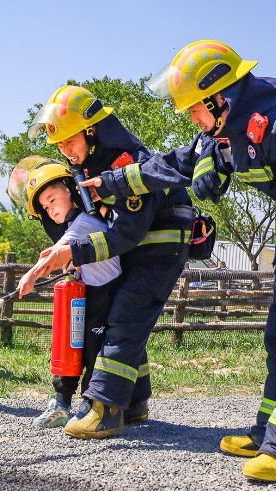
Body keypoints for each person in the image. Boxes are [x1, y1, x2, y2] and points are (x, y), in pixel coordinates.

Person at [87, 40, 276, 482]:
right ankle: (269, 433)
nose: (190, 117)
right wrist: (110, 183)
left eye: (193, 108)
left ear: (218, 98)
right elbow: (172, 165)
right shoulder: (228, 130)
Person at [25, 84, 200, 439]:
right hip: (142, 248)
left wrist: (73, 252)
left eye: (69, 141)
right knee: (128, 320)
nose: (65, 151)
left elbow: (125, 235)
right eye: (58, 145)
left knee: (123, 321)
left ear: (91, 130)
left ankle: (104, 409)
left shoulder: (123, 162)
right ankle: (134, 402)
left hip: (159, 248)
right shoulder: (94, 162)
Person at [11, 160, 121, 428]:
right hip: (90, 292)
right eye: (46, 208)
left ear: (70, 191)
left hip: (106, 294)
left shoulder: (83, 223)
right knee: (70, 344)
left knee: (94, 353)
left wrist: (29, 277)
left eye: (52, 199)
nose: (51, 209)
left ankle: (89, 406)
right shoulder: (78, 223)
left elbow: (51, 256)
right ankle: (61, 401)